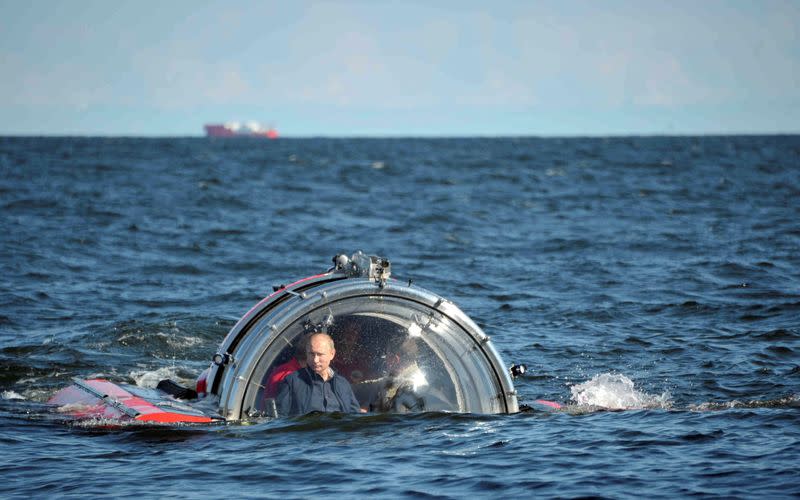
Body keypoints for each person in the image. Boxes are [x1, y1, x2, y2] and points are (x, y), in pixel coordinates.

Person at [276, 332, 361, 416]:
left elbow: (355, 419)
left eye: (320, 354)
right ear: (306, 353)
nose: (315, 360)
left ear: (332, 354)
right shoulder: (291, 382)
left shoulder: (343, 384)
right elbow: (280, 419)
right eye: (311, 354)